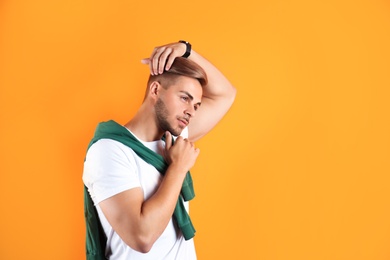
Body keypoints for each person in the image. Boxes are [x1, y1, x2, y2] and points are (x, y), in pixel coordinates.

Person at [82, 40, 236, 259]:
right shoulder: (109, 151)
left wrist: (186, 50)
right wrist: (178, 168)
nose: (190, 111)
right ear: (155, 89)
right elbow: (142, 237)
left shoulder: (173, 140)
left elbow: (225, 94)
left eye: (196, 106)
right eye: (184, 98)